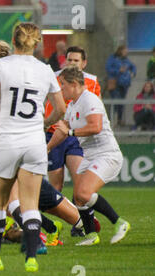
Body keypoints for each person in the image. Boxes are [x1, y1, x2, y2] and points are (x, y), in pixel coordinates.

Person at [0, 22, 66, 272]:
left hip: (5, 141)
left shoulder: (1, 65)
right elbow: (61, 108)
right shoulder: (46, 70)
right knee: (30, 204)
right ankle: (32, 259)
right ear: (37, 44)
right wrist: (44, 123)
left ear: (13, 41)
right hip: (34, 142)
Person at [47, 66, 130, 246]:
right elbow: (62, 130)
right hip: (91, 155)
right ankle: (91, 235)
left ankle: (119, 222)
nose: (61, 89)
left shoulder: (89, 99)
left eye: (63, 85)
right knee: (78, 196)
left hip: (106, 154)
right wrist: (47, 148)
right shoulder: (73, 104)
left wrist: (70, 133)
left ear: (74, 84)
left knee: (84, 193)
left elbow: (95, 126)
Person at [44, 46, 102, 193]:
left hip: (75, 136)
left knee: (80, 181)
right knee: (56, 186)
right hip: (53, 133)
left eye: (76, 60)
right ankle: (64, 214)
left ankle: (82, 214)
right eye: (69, 59)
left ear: (84, 63)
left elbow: (98, 109)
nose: (72, 63)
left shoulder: (92, 81)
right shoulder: (52, 76)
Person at [105, 45, 137, 127]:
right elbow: (108, 68)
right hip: (115, 84)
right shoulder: (113, 58)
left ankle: (119, 120)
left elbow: (133, 66)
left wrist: (133, 73)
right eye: (125, 51)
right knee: (116, 101)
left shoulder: (126, 60)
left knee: (121, 103)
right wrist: (118, 70)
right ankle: (112, 120)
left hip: (124, 84)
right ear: (120, 51)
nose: (126, 53)